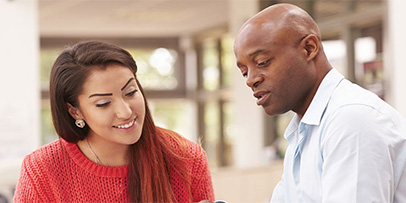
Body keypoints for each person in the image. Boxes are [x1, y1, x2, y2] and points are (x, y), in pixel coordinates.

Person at [233, 3, 406, 203]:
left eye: (262, 62)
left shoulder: (351, 119)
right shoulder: (303, 132)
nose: (250, 80)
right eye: (245, 71)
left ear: (309, 48)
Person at [14, 41, 215, 202]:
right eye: (103, 103)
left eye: (130, 92)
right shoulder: (42, 170)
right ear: (75, 111)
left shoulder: (185, 158)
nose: (125, 112)